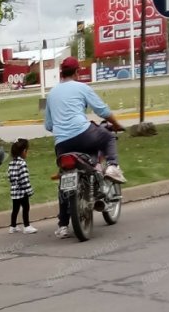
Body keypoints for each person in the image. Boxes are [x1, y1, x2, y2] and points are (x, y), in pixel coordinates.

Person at [44, 56, 126, 239]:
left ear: (60, 73)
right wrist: (117, 124)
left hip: (62, 144)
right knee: (108, 137)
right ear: (77, 72)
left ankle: (63, 225)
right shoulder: (82, 87)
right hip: (84, 134)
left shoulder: (51, 94)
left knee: (64, 181)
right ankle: (112, 167)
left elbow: (49, 125)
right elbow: (102, 110)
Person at [7, 138, 37, 234]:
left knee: (15, 209)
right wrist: (29, 191)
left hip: (14, 191)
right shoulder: (22, 164)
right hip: (22, 192)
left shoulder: (11, 163)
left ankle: (13, 226)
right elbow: (24, 179)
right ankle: (27, 226)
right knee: (26, 208)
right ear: (24, 151)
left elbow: (10, 177)